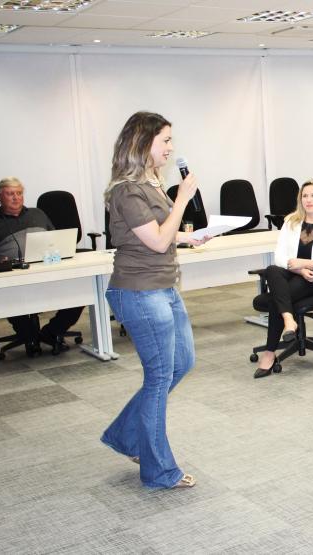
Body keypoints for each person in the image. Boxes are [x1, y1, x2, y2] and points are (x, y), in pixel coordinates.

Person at [100, 111, 211, 489]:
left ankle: (126, 435)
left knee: (182, 362)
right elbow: (159, 241)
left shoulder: (151, 183)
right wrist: (182, 199)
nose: (170, 148)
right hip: (139, 290)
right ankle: (159, 470)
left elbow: (162, 233)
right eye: (165, 140)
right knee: (159, 376)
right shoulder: (127, 190)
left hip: (163, 286)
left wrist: (189, 237)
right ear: (142, 142)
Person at [0, 177, 84, 352]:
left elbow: (56, 240)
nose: (16, 198)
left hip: (47, 270)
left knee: (82, 292)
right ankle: (30, 336)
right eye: (10, 194)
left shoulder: (38, 214)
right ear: (0, 196)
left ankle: (52, 332)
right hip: (12, 277)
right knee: (8, 299)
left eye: (19, 193)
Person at [254, 179, 313, 379]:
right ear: (300, 199)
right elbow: (279, 257)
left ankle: (269, 353)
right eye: (305, 196)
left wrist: (305, 265)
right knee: (272, 269)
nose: (309, 200)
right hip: (295, 273)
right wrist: (299, 270)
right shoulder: (291, 221)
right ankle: (289, 320)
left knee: (275, 300)